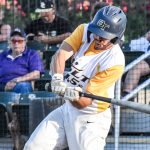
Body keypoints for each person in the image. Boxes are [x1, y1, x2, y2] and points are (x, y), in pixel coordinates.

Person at [24, 5, 127, 150]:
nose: (97, 38)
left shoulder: (115, 61)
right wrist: (58, 79)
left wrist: (69, 94)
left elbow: (84, 102)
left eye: (103, 36)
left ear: (115, 38)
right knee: (33, 147)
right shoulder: (85, 31)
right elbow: (60, 55)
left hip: (91, 119)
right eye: (96, 32)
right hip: (67, 110)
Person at [0, 28, 44, 93]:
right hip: (2, 85)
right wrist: (4, 87)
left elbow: (36, 74)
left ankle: (22, 103)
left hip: (21, 84)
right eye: (13, 41)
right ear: (9, 42)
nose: (16, 44)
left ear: (25, 42)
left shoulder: (32, 54)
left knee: (23, 86)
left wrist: (16, 80)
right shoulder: (2, 55)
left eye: (20, 41)